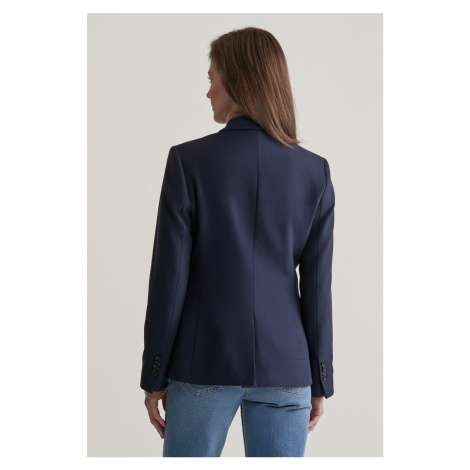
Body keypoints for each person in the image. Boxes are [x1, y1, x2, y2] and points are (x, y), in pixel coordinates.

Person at [140, 26, 335, 457]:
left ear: (237, 78)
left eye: (212, 78)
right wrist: (320, 378)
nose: (208, 91)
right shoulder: (314, 172)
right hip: (287, 368)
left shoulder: (187, 161)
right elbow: (317, 290)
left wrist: (154, 375)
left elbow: (169, 282)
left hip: (202, 364)